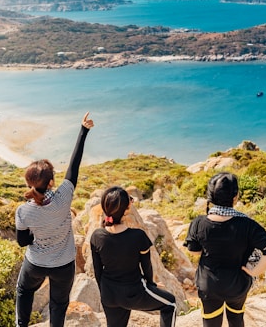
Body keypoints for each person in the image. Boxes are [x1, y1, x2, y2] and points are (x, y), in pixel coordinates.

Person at [15, 112, 95, 327]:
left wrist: (38, 234)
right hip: (63, 265)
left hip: (36, 263)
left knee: (24, 291)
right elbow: (73, 167)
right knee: (58, 305)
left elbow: (22, 241)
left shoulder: (23, 211)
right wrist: (83, 130)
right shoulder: (64, 198)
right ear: (51, 183)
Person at [184, 172, 266, 327]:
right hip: (238, 285)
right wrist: (254, 272)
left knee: (211, 322)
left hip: (209, 285)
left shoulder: (198, 223)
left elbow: (193, 251)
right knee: (236, 319)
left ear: (210, 197)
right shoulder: (248, 225)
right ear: (235, 197)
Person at [90, 186, 177, 327]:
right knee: (170, 303)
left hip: (109, 294)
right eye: (130, 199)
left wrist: (105, 293)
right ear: (126, 209)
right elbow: (146, 266)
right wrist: (151, 285)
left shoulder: (97, 236)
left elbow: (97, 270)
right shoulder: (138, 236)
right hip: (134, 293)